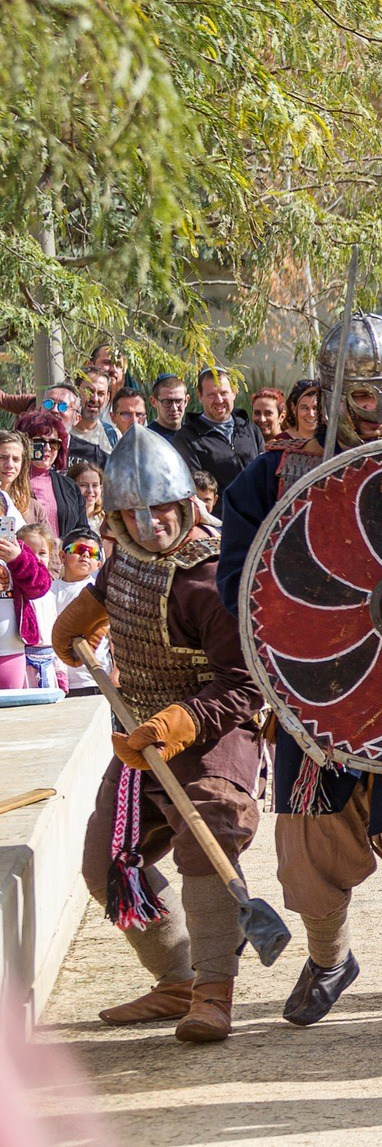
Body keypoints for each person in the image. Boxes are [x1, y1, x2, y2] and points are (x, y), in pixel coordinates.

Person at [218, 314, 382, 1058]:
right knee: (309, 860)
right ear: (329, 393)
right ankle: (331, 961)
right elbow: (240, 584)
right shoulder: (272, 477)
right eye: (358, 394)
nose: (374, 406)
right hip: (320, 695)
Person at [52, 430, 262, 1043]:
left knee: (206, 844)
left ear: (186, 503)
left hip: (213, 733)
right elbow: (109, 591)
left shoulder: (214, 577)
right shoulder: (123, 556)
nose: (151, 525)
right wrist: (83, 617)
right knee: (106, 863)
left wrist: (179, 723)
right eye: (134, 515)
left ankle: (213, 994)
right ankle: (176, 979)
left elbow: (246, 682)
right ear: (116, 519)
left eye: (162, 509)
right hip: (138, 733)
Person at [0, 452, 54, 691]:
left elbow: (41, 585)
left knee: (13, 712)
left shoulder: (16, 548)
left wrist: (17, 559)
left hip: (9, 650)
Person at [172, 366, 263, 487]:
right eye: (211, 395)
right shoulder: (186, 439)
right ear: (200, 396)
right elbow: (196, 488)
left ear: (234, 392)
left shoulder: (251, 430)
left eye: (223, 393)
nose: (219, 400)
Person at [15, 410, 87, 536]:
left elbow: (83, 531)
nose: (47, 448)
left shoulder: (70, 487)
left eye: (54, 443)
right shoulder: (10, 482)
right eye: (39, 441)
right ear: (24, 443)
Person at [50, 527, 104, 692]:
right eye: (79, 549)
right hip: (58, 679)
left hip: (96, 678)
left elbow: (112, 634)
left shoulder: (99, 592)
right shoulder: (49, 590)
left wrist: (116, 671)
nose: (86, 555)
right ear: (62, 556)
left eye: (93, 553)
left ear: (99, 564)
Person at [68, 371, 114, 466]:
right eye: (89, 392)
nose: (94, 399)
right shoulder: (62, 432)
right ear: (76, 392)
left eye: (101, 394)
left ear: (107, 397)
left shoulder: (112, 436)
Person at [66, 460, 105, 536]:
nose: (90, 490)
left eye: (95, 485)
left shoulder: (106, 520)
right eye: (83, 485)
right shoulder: (66, 520)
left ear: (101, 488)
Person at [147, 376, 187, 441]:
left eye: (178, 401)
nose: (174, 408)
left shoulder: (194, 437)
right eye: (167, 402)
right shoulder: (147, 439)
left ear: (186, 400)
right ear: (153, 402)